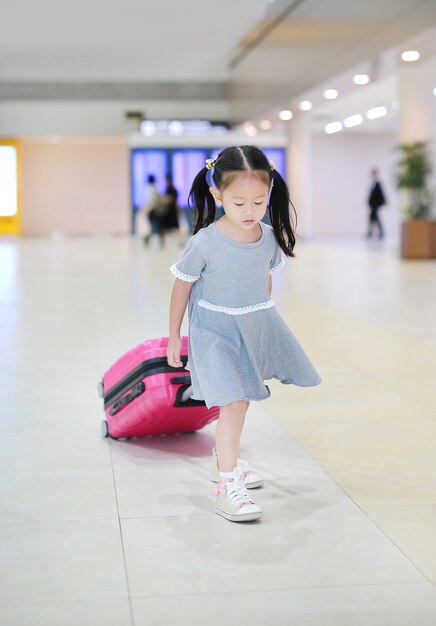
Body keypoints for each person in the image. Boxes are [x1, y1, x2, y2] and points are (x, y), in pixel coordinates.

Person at [166, 146, 321, 523]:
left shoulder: (266, 237)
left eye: (258, 201)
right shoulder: (205, 241)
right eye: (238, 203)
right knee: (232, 403)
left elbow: (263, 280)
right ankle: (226, 486)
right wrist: (173, 336)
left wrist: (258, 319)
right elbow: (181, 287)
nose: (250, 211)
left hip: (250, 328)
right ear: (218, 196)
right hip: (212, 331)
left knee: (242, 402)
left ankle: (228, 456)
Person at [143, 174, 168, 247]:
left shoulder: (150, 188)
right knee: (158, 225)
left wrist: (148, 209)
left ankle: (148, 238)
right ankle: (159, 239)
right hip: (156, 210)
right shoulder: (154, 188)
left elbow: (152, 201)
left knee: (151, 225)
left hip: (153, 210)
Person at [367, 168, 386, 239]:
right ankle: (372, 232)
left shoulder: (378, 183)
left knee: (375, 218)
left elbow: (381, 193)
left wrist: (384, 201)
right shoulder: (372, 183)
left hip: (376, 204)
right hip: (372, 204)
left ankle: (379, 232)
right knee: (372, 218)